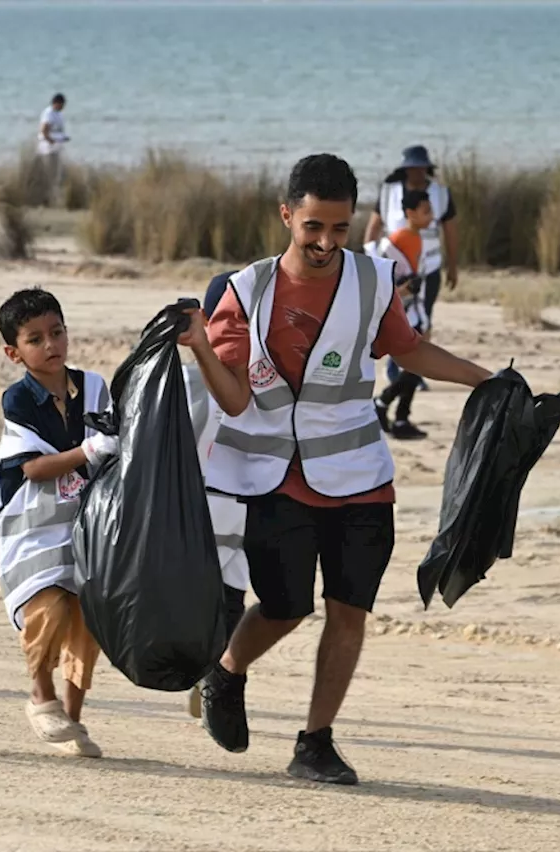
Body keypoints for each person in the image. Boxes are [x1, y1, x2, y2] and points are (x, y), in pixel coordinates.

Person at [178, 153, 492, 785]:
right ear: (287, 214)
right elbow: (235, 399)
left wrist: (488, 381)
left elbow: (408, 348)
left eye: (339, 229)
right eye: (313, 227)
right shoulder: (247, 291)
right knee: (286, 606)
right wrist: (201, 348)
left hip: (360, 475)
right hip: (272, 480)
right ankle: (228, 669)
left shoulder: (374, 282)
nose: (325, 243)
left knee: (350, 611)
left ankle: (315, 742)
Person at [0, 288, 119, 758]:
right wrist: (88, 451)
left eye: (57, 332)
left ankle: (73, 720)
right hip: (36, 527)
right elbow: (32, 468)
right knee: (50, 608)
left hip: (92, 522)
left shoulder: (96, 387)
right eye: (35, 339)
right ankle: (41, 693)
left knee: (90, 618)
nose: (51, 345)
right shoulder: (18, 400)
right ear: (13, 352)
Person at [182, 269, 250, 720]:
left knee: (230, 605)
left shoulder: (264, 385)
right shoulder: (187, 385)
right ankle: (196, 671)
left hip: (240, 522)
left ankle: (209, 675)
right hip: (197, 519)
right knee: (196, 606)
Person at [363, 145, 459, 389]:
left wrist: (453, 266)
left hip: (430, 267)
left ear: (427, 168)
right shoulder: (389, 193)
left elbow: (450, 231)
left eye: (420, 167)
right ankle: (398, 368)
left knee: (423, 318)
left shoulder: (441, 194)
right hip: (397, 271)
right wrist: (370, 259)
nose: (416, 172)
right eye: (412, 168)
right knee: (397, 319)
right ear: (405, 170)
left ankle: (413, 372)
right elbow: (373, 229)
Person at [368, 189, 433, 440]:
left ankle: (400, 415)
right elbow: (382, 282)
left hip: (415, 310)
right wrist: (402, 290)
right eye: (426, 211)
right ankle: (386, 405)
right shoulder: (398, 240)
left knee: (418, 363)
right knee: (417, 362)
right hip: (402, 311)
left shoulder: (416, 238)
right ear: (410, 213)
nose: (431, 216)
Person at [37, 93, 70, 206]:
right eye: (62, 104)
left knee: (58, 175)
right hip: (48, 149)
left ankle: (52, 198)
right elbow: (44, 129)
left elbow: (58, 131)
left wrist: (63, 138)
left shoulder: (59, 114)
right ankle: (45, 200)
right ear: (57, 103)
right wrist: (50, 140)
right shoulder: (48, 113)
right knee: (49, 175)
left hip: (57, 148)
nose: (63, 107)